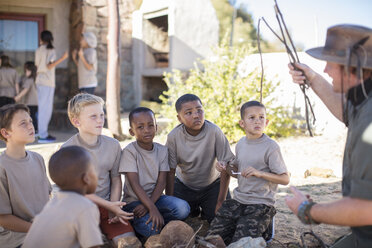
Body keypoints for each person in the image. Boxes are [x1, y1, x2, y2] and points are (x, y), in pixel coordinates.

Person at [286, 24, 372, 248]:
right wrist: (312, 78)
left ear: (352, 68)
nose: (325, 70)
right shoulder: (364, 97)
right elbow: (347, 112)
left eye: (330, 63)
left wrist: (308, 210)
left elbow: (366, 209)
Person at [206, 101, 289, 245]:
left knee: (242, 243)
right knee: (212, 238)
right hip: (239, 200)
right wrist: (225, 166)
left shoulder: (271, 147)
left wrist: (260, 173)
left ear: (267, 122)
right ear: (242, 123)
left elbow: (285, 179)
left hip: (260, 203)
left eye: (261, 117)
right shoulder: (241, 144)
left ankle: (265, 228)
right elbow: (235, 171)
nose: (258, 121)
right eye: (252, 118)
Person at [62, 93, 135, 247]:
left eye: (101, 114)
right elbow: (78, 192)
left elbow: (116, 178)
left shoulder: (113, 145)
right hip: (80, 208)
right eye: (93, 116)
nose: (100, 120)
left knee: (128, 243)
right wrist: (109, 205)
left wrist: (114, 206)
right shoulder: (68, 150)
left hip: (108, 204)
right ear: (76, 121)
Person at [120, 107, 190, 238]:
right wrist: (151, 208)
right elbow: (134, 183)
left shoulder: (162, 151)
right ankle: (141, 221)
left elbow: (162, 181)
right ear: (131, 131)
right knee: (152, 230)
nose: (146, 130)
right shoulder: (129, 151)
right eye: (140, 127)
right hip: (134, 203)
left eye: (150, 125)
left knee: (183, 208)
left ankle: (154, 218)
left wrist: (150, 206)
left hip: (156, 198)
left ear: (156, 127)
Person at [165, 94, 235, 223]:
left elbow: (227, 165)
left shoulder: (214, 131)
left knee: (223, 219)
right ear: (179, 118)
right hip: (184, 186)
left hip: (212, 186)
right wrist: (169, 200)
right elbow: (170, 171)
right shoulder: (173, 137)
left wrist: (220, 201)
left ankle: (207, 209)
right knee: (175, 216)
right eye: (188, 113)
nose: (196, 115)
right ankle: (194, 208)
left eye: (199, 110)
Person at [23, 146, 103, 248]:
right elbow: (93, 246)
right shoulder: (85, 207)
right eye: (94, 171)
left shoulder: (54, 202)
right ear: (86, 178)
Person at [0, 104, 51, 248]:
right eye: (23, 123)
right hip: (16, 238)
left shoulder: (38, 159)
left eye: (31, 121)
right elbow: (3, 218)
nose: (30, 126)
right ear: (6, 133)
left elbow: (47, 198)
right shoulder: (2, 167)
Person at [35, 30, 68, 143]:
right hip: (48, 82)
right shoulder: (51, 50)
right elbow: (49, 66)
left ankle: (41, 133)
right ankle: (42, 135)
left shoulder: (39, 50)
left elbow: (36, 65)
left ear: (42, 38)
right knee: (46, 109)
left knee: (42, 109)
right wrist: (63, 58)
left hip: (39, 81)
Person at [16, 61, 38, 133]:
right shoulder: (35, 79)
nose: (26, 72)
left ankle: (34, 130)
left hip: (30, 102)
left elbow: (25, 90)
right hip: (36, 102)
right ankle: (36, 130)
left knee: (31, 118)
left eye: (27, 71)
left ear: (31, 71)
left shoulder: (29, 80)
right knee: (34, 117)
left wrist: (18, 97)